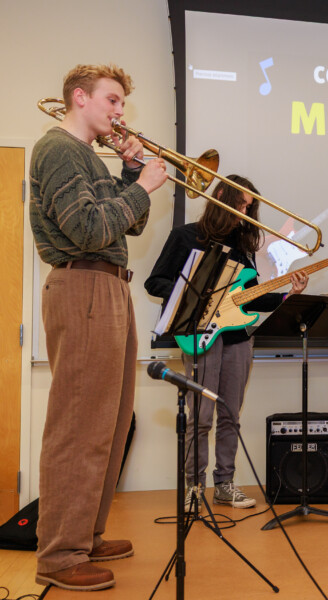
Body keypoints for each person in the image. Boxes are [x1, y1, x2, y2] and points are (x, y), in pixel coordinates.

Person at [30, 64, 168, 591]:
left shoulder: (86, 155)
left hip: (105, 285)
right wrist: (147, 186)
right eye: (112, 101)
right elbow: (88, 229)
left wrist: (133, 175)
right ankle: (60, 554)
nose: (120, 112)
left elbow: (125, 221)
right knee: (79, 425)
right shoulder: (60, 148)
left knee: (108, 421)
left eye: (123, 104)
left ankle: (83, 534)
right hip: (84, 285)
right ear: (80, 98)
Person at [145, 175, 308, 512]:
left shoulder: (241, 245)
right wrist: (192, 295)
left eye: (249, 208)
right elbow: (155, 281)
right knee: (201, 417)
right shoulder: (185, 236)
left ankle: (224, 485)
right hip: (198, 335)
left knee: (230, 415)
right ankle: (193, 488)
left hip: (237, 339)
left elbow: (249, 300)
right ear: (220, 196)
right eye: (240, 205)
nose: (243, 213)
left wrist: (289, 293)